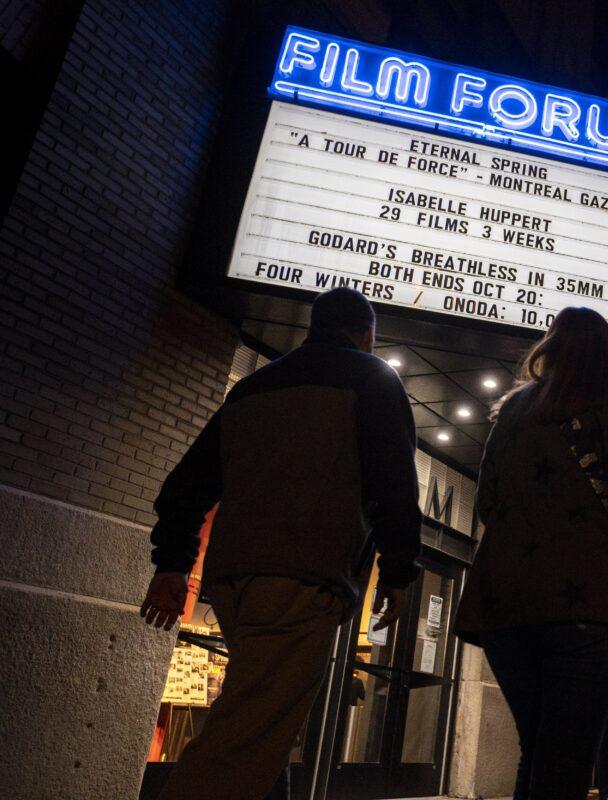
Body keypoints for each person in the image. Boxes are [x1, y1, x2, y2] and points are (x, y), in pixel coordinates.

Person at [139, 287, 422, 800]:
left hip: (232, 581)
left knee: (268, 717)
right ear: (366, 334)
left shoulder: (251, 389)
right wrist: (400, 572)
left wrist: (172, 564)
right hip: (301, 575)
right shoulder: (372, 378)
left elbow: (184, 487)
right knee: (247, 733)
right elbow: (395, 485)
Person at [453, 307, 608, 800]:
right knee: (564, 761)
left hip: (507, 606)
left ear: (550, 348)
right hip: (587, 603)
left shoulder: (514, 409)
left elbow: (486, 503)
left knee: (539, 748)